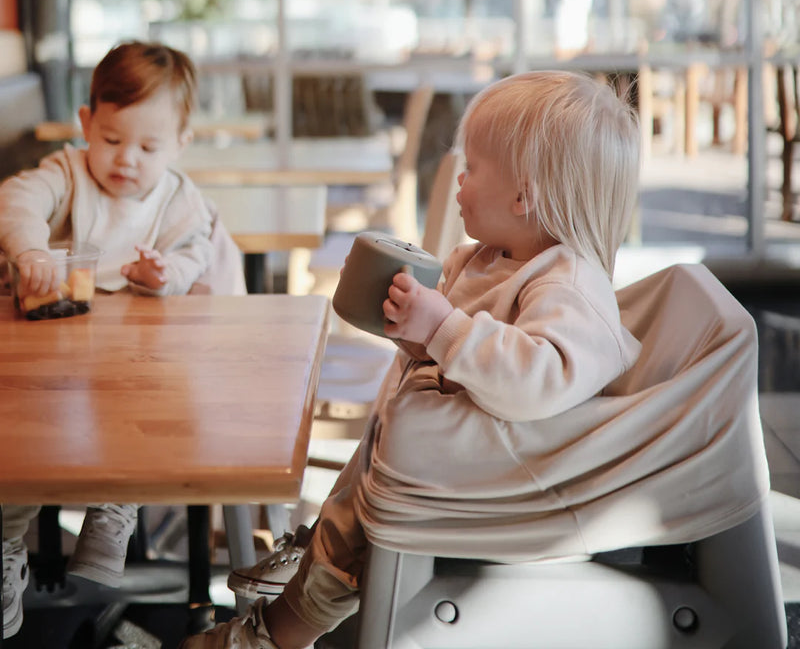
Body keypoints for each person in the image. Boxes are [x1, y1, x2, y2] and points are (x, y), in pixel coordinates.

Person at [181, 69, 644, 649]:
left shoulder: (569, 283)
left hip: (498, 484)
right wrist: (416, 334)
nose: (458, 183)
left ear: (524, 196)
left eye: (472, 170)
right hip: (435, 465)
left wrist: (444, 328)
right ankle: (305, 578)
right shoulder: (491, 258)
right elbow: (468, 362)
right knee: (351, 501)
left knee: (347, 537)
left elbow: (538, 380)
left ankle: (273, 635)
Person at [0, 39, 223, 639]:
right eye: (112, 139)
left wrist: (165, 275)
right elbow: (17, 199)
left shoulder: (179, 200)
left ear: (180, 145)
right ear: (86, 124)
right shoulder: (68, 174)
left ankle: (116, 505)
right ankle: (7, 546)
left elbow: (197, 252)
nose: (127, 159)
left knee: (150, 409)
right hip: (60, 350)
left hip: (141, 355)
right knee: (23, 444)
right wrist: (30, 249)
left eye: (149, 147)